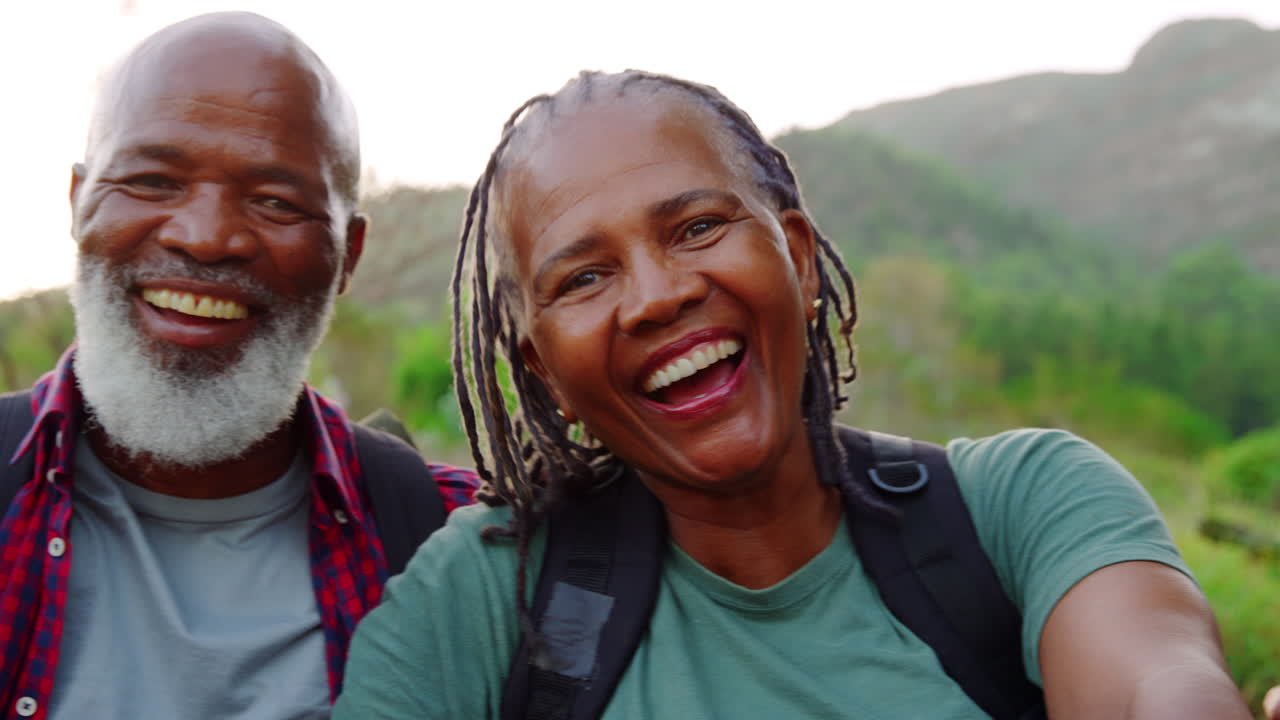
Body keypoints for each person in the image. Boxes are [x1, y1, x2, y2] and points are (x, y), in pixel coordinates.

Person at [333, 70, 1250, 719]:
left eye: (696, 225)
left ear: (800, 259)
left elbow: (1150, 684)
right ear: (545, 374)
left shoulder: (1024, 505)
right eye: (583, 279)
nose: (658, 296)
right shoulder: (487, 594)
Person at [0, 12, 477, 720]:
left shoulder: (463, 550)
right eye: (154, 180)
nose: (207, 237)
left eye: (275, 201)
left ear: (348, 255)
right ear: (78, 204)